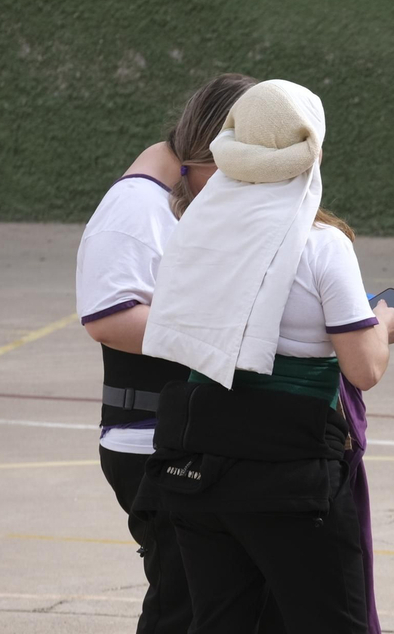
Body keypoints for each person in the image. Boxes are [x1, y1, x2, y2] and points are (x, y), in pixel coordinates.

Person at [137, 80, 394, 633]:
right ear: (313, 148)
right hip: (289, 474)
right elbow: (364, 368)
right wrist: (384, 321)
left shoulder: (193, 229)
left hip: (197, 465)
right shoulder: (321, 245)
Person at [75, 72, 256, 634]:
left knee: (212, 598)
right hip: (150, 441)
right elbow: (108, 320)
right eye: (239, 170)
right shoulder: (135, 208)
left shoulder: (172, 199)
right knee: (184, 605)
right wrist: (231, 334)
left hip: (182, 433)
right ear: (209, 149)